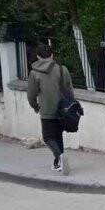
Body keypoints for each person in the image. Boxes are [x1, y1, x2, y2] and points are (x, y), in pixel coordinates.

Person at [27, 44, 75, 174]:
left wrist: (35, 106)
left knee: (48, 137)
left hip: (46, 110)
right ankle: (59, 162)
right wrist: (71, 106)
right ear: (52, 55)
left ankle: (60, 158)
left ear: (38, 56)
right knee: (58, 136)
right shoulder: (62, 69)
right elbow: (69, 89)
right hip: (62, 109)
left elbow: (31, 95)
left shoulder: (34, 73)